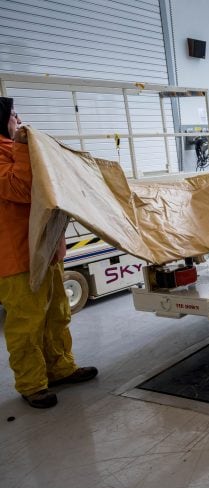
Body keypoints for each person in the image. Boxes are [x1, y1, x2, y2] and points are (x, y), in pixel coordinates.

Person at [0, 97, 98, 409]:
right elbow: (21, 187)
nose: (19, 120)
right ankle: (32, 385)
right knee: (27, 324)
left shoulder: (14, 148)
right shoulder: (7, 152)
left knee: (57, 314)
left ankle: (60, 368)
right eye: (14, 115)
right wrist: (21, 146)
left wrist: (58, 238)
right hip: (15, 258)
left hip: (43, 249)